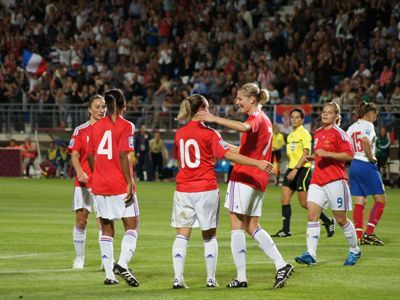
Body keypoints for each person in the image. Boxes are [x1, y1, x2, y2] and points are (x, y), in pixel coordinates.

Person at [197, 83, 293, 289]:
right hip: (258, 178)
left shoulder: (255, 117)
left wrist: (214, 119)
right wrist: (221, 146)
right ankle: (281, 264)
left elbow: (244, 127)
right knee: (252, 225)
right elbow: (245, 149)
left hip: (245, 176)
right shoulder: (266, 120)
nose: (237, 102)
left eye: (240, 98)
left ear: (252, 99)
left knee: (236, 223)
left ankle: (241, 277)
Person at [171, 94, 273, 289]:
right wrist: (257, 162)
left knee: (182, 235)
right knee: (209, 236)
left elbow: (180, 158)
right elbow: (229, 155)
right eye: (207, 107)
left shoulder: (179, 134)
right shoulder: (210, 134)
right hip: (206, 189)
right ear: (202, 109)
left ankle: (178, 278)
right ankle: (210, 279)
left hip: (183, 189)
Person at [295, 102, 361, 266]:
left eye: (330, 113)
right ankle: (311, 254)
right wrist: (314, 157)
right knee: (312, 216)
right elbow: (320, 154)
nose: (325, 114)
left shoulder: (340, 133)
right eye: (324, 112)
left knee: (341, 219)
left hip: (336, 181)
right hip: (318, 180)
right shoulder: (316, 133)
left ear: (336, 117)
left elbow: (349, 155)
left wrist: (327, 154)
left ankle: (355, 250)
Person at [88, 89, 139, 286]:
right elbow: (124, 155)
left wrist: (97, 175)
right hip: (119, 184)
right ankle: (123, 264)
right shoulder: (126, 125)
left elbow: (91, 156)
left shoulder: (96, 127)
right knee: (132, 226)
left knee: (107, 229)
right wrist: (129, 181)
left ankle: (109, 275)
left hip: (99, 184)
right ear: (123, 106)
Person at [272, 108, 335, 237]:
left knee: (304, 203)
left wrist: (295, 170)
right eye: (292, 117)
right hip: (291, 169)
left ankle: (328, 221)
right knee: (284, 199)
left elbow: (306, 154)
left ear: (302, 120)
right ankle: (285, 230)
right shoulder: (290, 136)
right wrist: (291, 168)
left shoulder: (305, 133)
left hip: (302, 169)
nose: (294, 119)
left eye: (297, 117)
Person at [68, 95, 106, 269]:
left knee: (104, 222)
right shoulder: (80, 130)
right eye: (97, 107)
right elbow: (74, 154)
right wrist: (79, 171)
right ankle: (79, 258)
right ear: (89, 109)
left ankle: (106, 260)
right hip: (84, 183)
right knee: (81, 221)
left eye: (103, 107)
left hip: (104, 183)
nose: (101, 110)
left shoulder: (110, 130)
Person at [347, 102, 387, 246]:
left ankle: (359, 237)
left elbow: (346, 146)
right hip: (365, 164)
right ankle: (369, 233)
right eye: (375, 114)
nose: (375, 117)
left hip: (354, 165)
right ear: (369, 113)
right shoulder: (368, 126)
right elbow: (365, 141)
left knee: (360, 202)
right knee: (381, 200)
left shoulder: (351, 127)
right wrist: (371, 158)